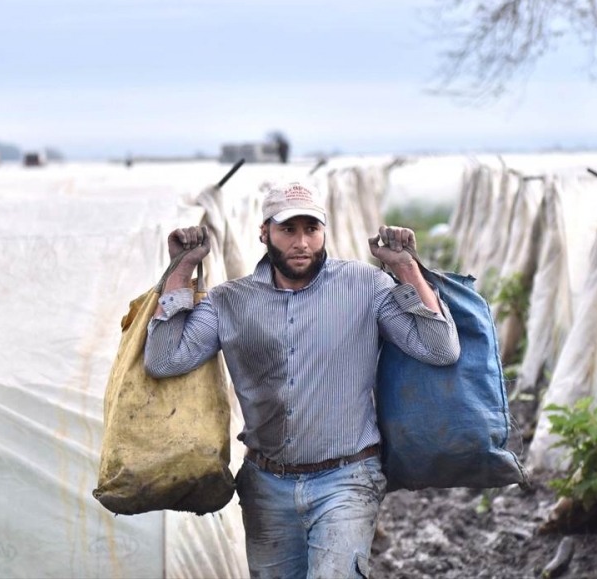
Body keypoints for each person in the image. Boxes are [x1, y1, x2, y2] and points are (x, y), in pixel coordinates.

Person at [145, 180, 460, 579]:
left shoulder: (366, 285)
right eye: (288, 229)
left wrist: (406, 268)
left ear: (324, 231)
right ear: (264, 233)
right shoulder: (229, 300)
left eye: (311, 229)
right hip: (265, 486)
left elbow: (440, 349)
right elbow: (164, 360)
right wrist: (182, 268)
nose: (301, 242)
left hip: (347, 479)